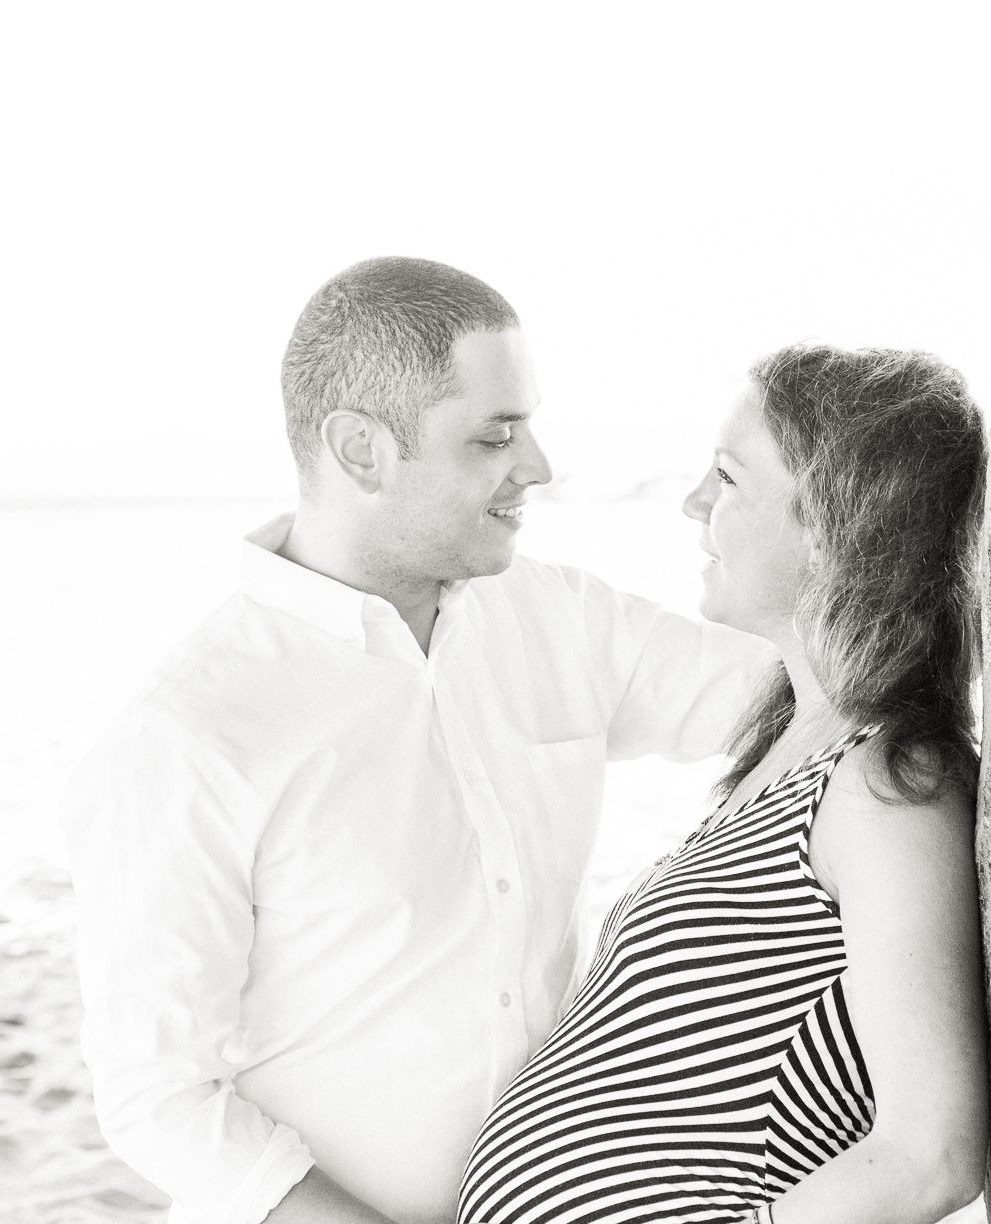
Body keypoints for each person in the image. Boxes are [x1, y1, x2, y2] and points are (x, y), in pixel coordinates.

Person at [60, 257, 773, 1224]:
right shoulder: (187, 735)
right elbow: (160, 1100)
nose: (539, 466)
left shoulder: (561, 619)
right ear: (362, 450)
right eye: (495, 436)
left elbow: (798, 701)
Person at [457, 344, 988, 1224]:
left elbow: (930, 1154)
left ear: (835, 524)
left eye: (728, 479)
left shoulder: (892, 785)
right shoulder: (794, 749)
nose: (694, 503)